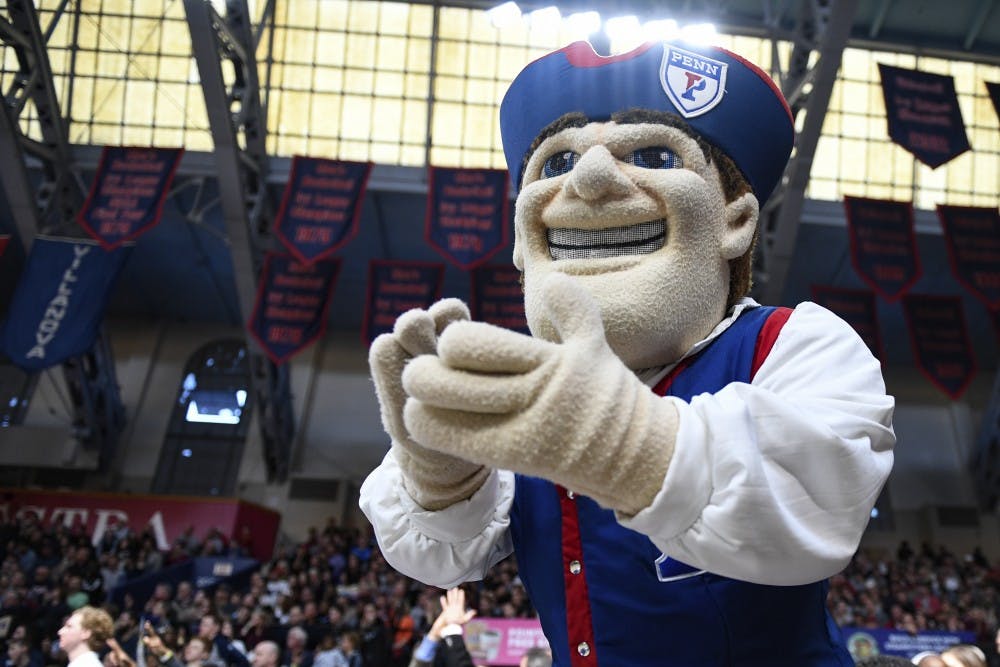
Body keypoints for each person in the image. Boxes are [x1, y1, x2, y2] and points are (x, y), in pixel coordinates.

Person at [360, 37, 895, 666]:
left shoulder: (793, 343)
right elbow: (447, 553)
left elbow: (813, 507)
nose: (589, 177)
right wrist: (443, 476)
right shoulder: (529, 386)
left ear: (735, 219)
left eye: (650, 153)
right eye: (556, 165)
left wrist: (624, 440)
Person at [408, 588, 476, 667]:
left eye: (429, 603)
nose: (426, 605)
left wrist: (451, 627)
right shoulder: (427, 622)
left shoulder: (444, 635)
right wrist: (434, 635)